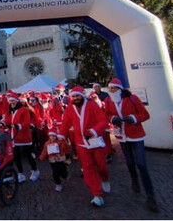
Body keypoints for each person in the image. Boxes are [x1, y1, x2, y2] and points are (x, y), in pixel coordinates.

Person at [104, 78, 159, 212]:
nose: (111, 90)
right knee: (129, 162)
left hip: (136, 135)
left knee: (141, 164)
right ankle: (134, 179)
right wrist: (112, 119)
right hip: (122, 137)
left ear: (119, 89)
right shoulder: (109, 100)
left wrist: (133, 118)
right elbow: (107, 114)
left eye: (114, 88)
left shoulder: (132, 98)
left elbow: (145, 115)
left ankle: (150, 195)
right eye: (110, 88)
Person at [58, 86, 109, 207]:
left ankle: (105, 178)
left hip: (95, 141)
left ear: (82, 96)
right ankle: (97, 194)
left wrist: (94, 131)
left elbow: (103, 121)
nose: (75, 98)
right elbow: (65, 123)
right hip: (81, 143)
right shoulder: (70, 108)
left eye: (77, 96)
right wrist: (61, 136)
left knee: (101, 165)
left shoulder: (92, 106)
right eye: (73, 96)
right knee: (88, 168)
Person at [1, 91, 40, 183]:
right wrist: (2, 123)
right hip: (14, 136)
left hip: (24, 137)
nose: (12, 103)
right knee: (16, 156)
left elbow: (27, 122)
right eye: (10, 101)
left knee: (28, 155)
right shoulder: (10, 110)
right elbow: (7, 119)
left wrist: (19, 126)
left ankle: (35, 170)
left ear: (17, 101)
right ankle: (20, 173)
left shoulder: (24, 110)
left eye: (13, 101)